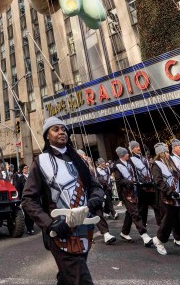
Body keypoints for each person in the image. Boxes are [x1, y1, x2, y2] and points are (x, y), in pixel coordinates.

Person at [21, 116, 104, 285]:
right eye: (55, 129)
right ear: (47, 136)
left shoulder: (79, 159)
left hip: (84, 228)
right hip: (60, 230)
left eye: (63, 129)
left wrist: (96, 198)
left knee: (69, 277)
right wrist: (49, 223)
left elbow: (96, 186)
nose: (61, 132)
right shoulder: (40, 162)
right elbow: (28, 200)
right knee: (80, 279)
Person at [111, 146, 151, 246]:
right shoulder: (117, 166)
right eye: (127, 153)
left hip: (134, 190)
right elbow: (119, 180)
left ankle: (124, 232)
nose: (129, 154)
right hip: (126, 193)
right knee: (134, 212)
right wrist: (130, 182)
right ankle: (144, 234)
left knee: (130, 212)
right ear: (123, 155)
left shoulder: (129, 163)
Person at [129, 140, 161, 230]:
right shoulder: (131, 160)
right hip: (141, 187)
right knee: (143, 210)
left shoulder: (144, 158)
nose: (138, 148)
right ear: (132, 150)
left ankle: (161, 225)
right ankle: (142, 228)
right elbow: (133, 173)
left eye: (138, 146)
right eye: (136, 147)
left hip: (150, 186)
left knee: (157, 206)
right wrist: (138, 182)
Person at [13, 164, 35, 235]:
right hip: (25, 198)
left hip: (32, 197)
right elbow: (18, 189)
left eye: (27, 168)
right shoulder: (20, 178)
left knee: (33, 213)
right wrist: (20, 200)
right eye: (25, 168)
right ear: (22, 170)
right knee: (27, 214)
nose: (26, 169)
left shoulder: (31, 177)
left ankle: (31, 227)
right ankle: (29, 228)